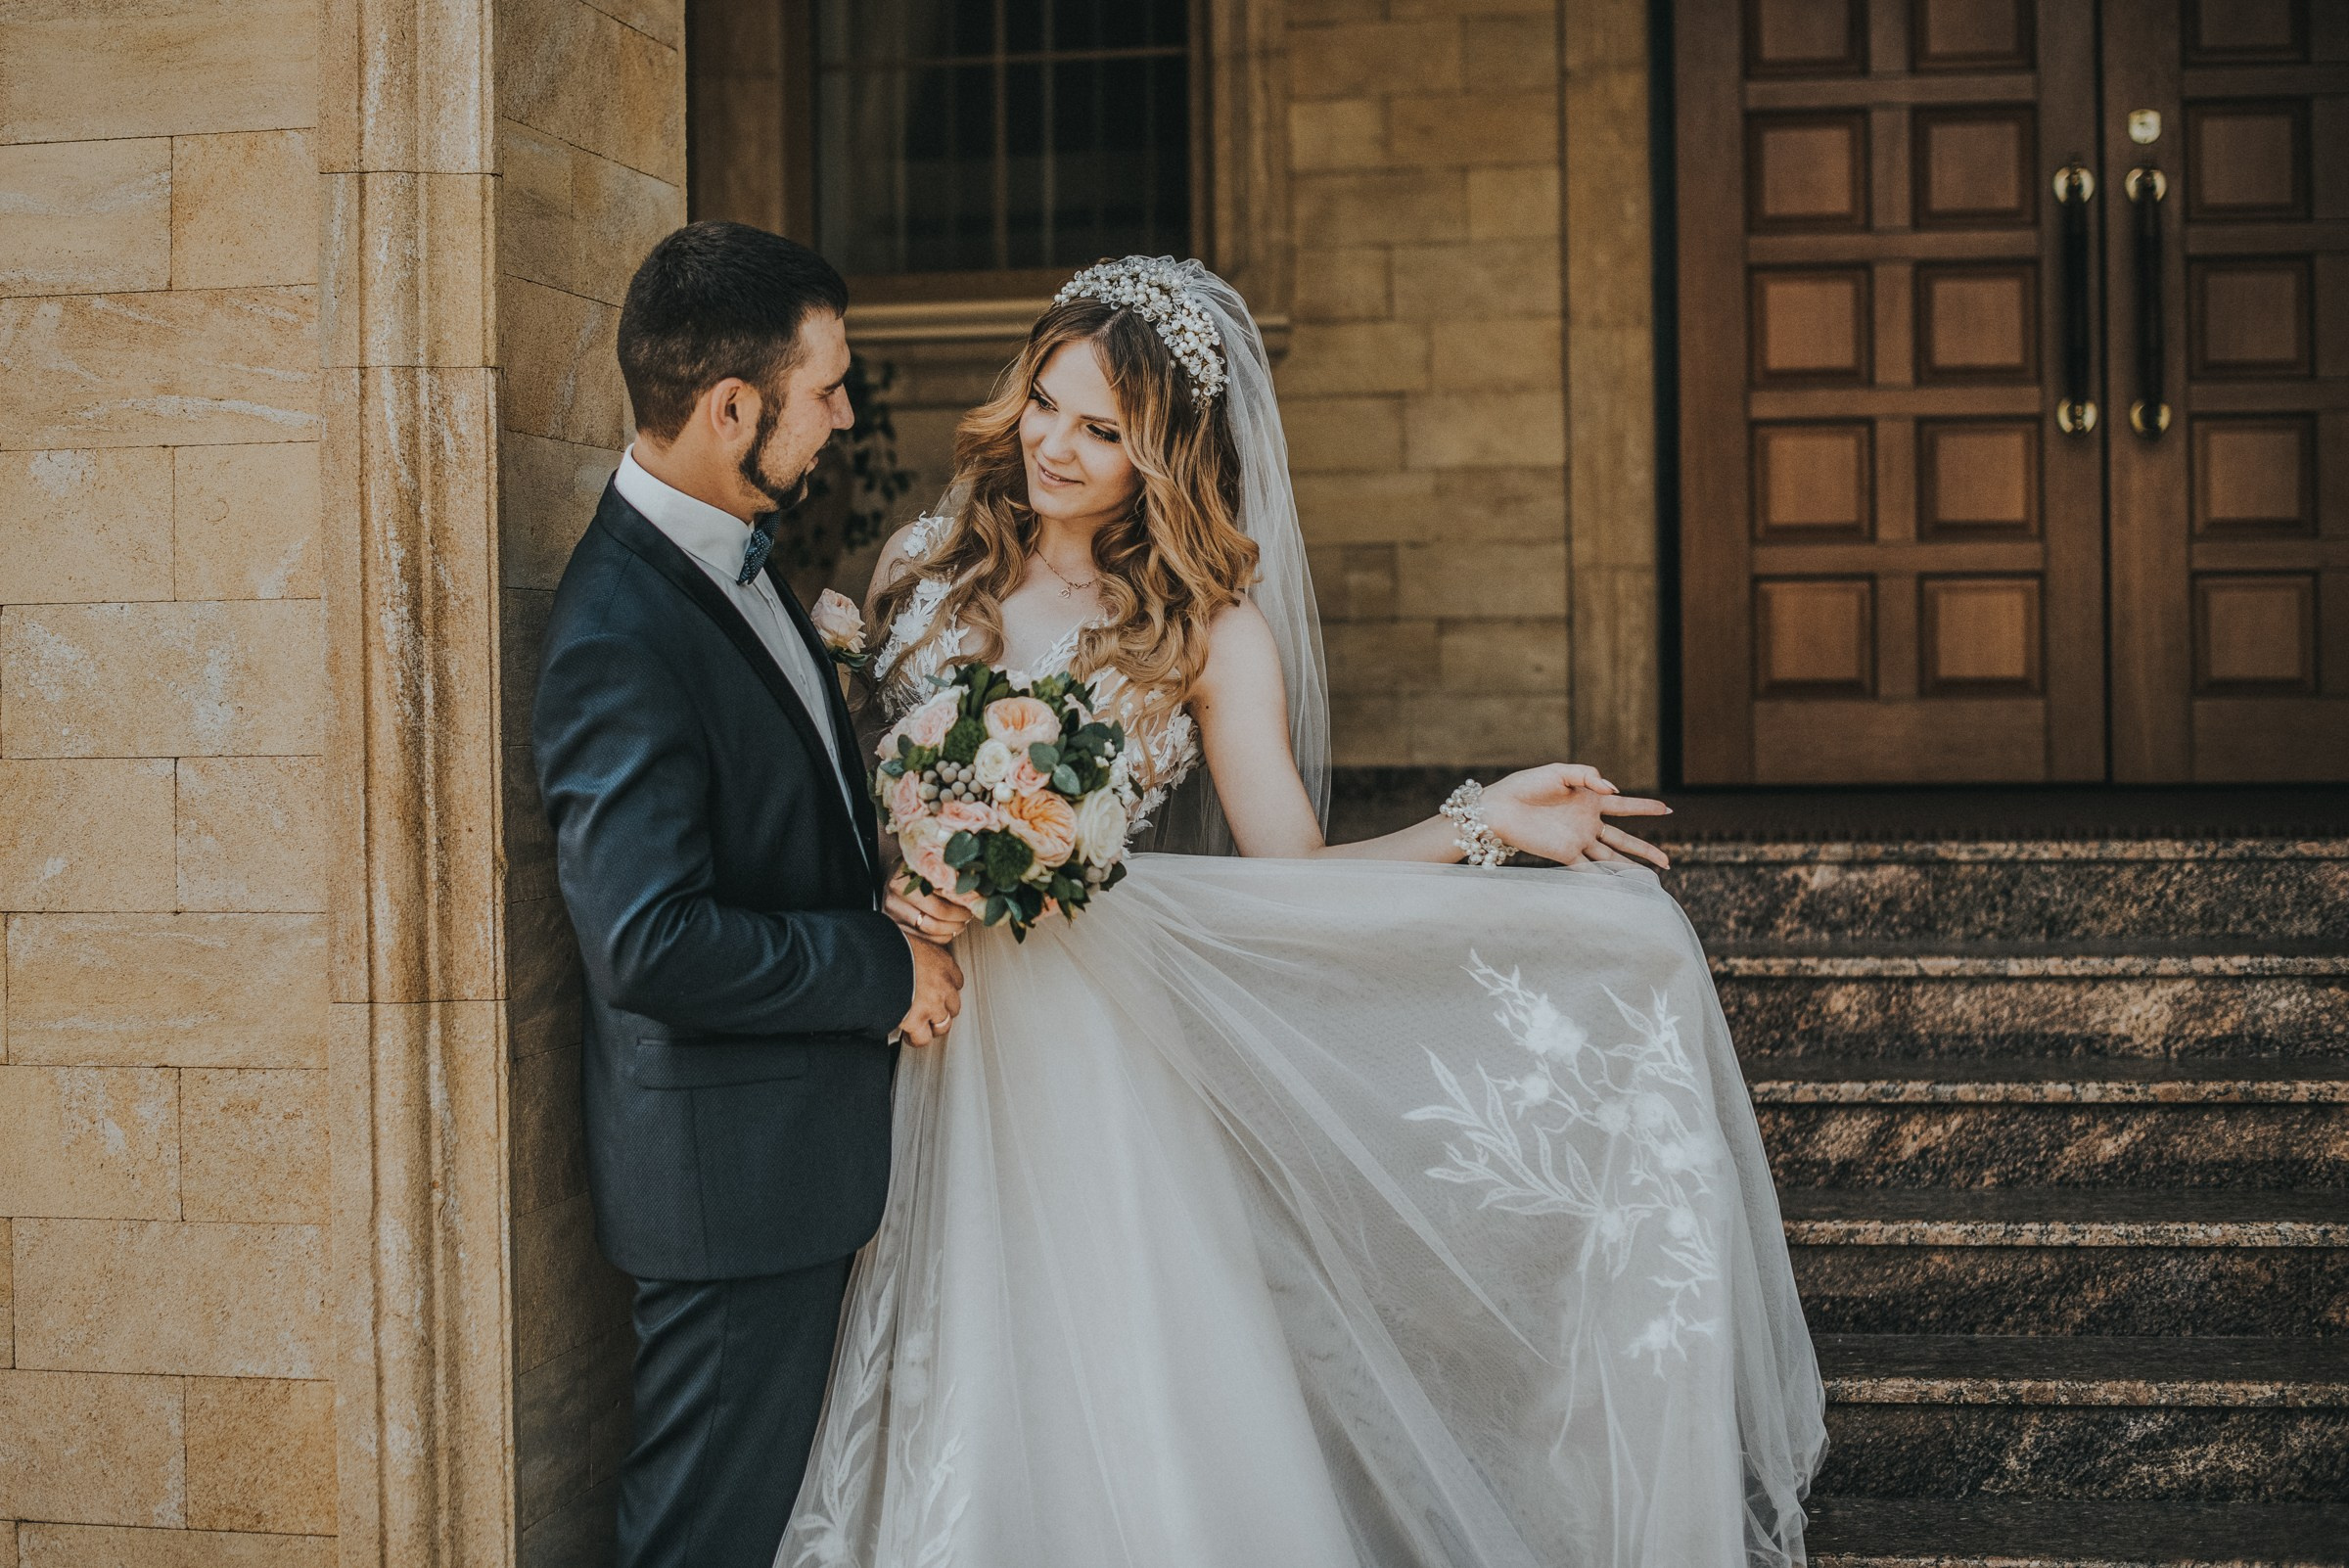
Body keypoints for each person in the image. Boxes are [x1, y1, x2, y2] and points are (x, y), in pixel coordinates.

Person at [777, 257, 1825, 1567]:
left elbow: (1290, 875)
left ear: (1166, 455)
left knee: (1104, 1393)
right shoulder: (923, 564)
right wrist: (899, 867)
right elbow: (841, 796)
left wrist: (1481, 821)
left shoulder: (1208, 636)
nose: (1056, 443)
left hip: (1086, 1070)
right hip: (916, 1031)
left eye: (1103, 430)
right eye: (1047, 402)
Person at [531, 222, 966, 1568]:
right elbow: (648, 940)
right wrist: (880, 970)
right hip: (730, 1192)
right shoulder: (619, 629)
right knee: (703, 1535)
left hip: (790, 1166)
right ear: (733, 409)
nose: (846, 413)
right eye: (827, 385)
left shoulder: (736, 546)